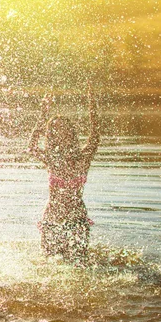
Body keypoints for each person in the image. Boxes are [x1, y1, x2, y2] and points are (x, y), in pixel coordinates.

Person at [27, 86, 100, 264]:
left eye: (64, 129)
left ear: (71, 133)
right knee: (49, 263)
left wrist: (92, 105)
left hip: (77, 219)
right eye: (55, 130)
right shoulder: (51, 159)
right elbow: (32, 147)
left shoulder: (83, 158)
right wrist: (43, 113)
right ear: (51, 136)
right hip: (52, 219)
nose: (60, 133)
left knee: (81, 264)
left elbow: (95, 135)